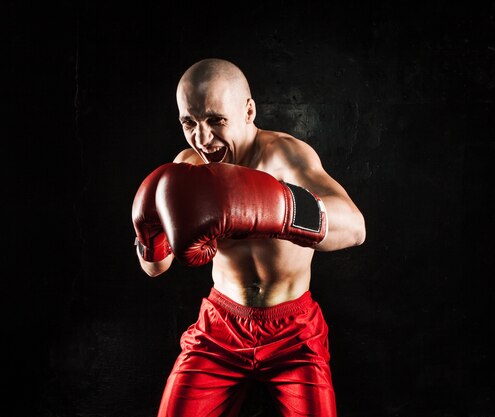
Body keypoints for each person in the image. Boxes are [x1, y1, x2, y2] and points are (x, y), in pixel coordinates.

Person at [132, 58, 366, 417]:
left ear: (249, 111)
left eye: (215, 120)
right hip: (218, 329)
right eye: (188, 123)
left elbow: (355, 227)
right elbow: (155, 268)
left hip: (294, 332)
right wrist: (147, 230)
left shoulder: (286, 156)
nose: (202, 139)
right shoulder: (187, 169)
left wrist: (278, 208)